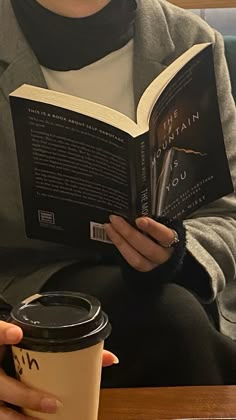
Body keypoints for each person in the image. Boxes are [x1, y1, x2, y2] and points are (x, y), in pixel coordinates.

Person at [0, 0, 236, 417]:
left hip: (169, 295)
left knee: (171, 317)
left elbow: (228, 213)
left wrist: (179, 249)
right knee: (171, 323)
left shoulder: (191, 40)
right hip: (20, 296)